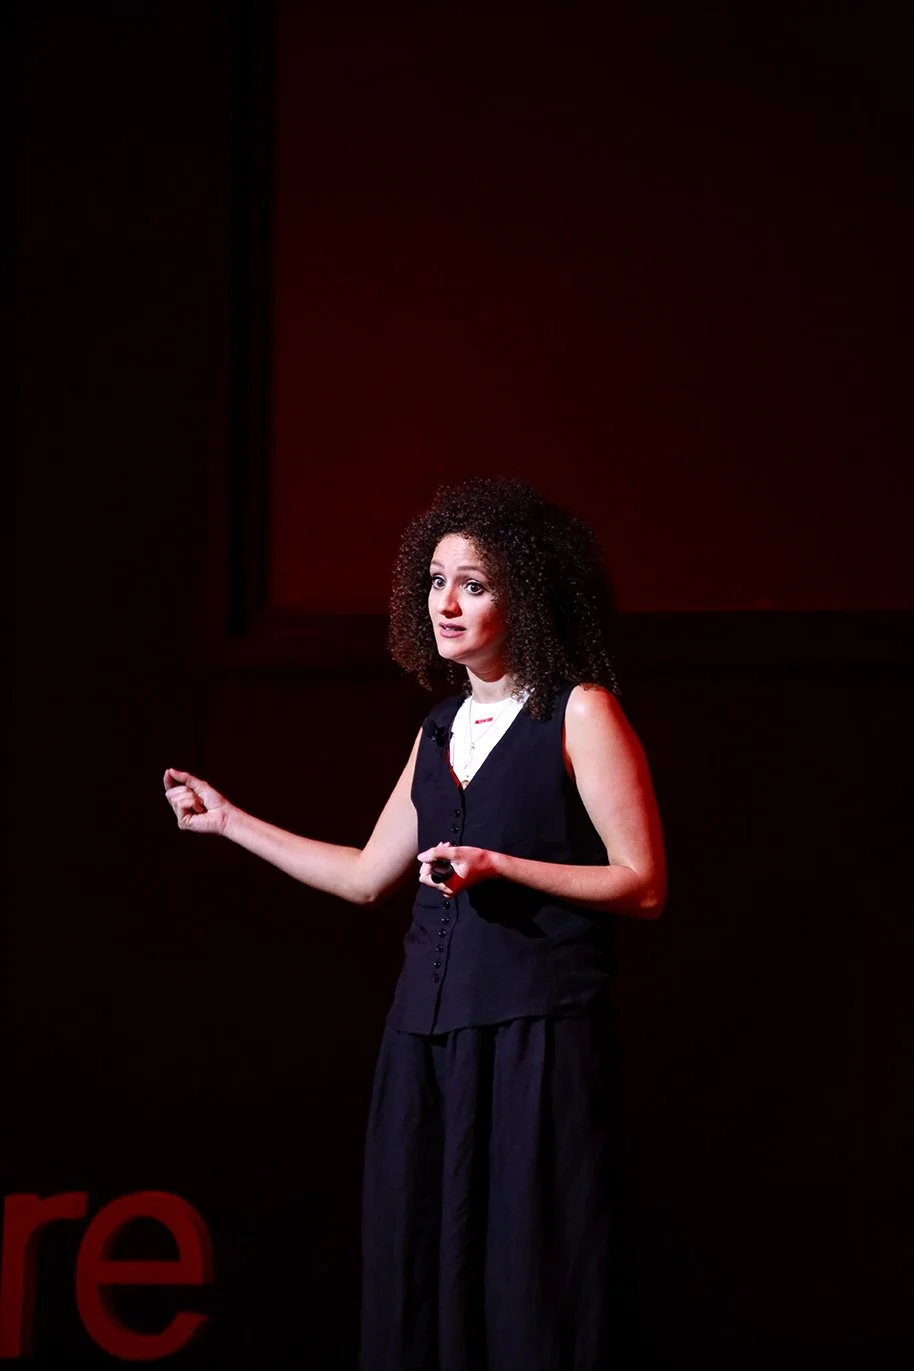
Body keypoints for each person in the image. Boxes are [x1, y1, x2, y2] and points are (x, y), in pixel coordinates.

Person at [164, 476, 666, 1371]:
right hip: (426, 1041)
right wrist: (230, 820)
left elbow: (643, 882)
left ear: (527, 593)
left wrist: (502, 865)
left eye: (474, 583)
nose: (447, 601)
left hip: (533, 1037)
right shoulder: (438, 728)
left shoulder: (578, 711)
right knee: (421, 1274)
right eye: (436, 580)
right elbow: (365, 876)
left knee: (530, 1280)